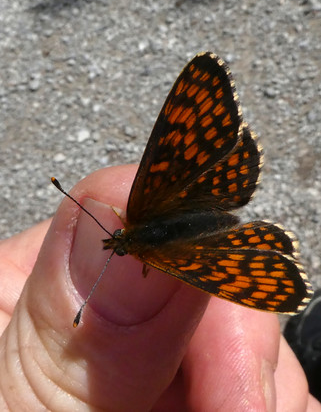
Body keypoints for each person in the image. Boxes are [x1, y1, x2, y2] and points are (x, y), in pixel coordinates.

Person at [0, 165, 320, 411]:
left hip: (187, 215)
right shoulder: (145, 239)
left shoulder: (149, 253)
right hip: (195, 200)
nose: (115, 247)